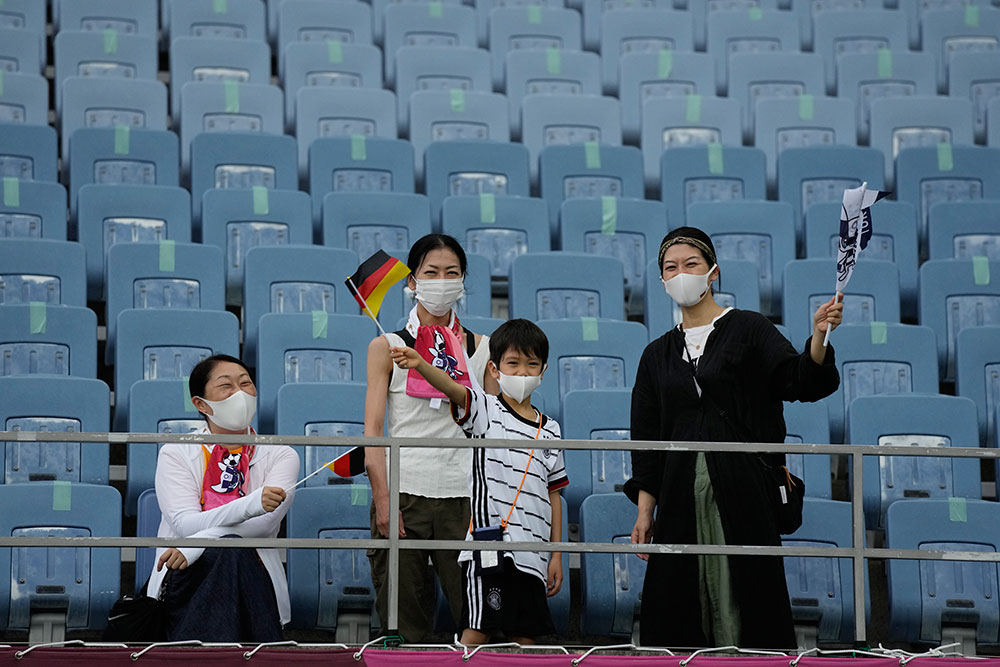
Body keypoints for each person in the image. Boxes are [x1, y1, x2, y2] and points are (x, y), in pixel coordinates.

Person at [625, 227, 843, 649]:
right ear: (662, 280)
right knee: (680, 604)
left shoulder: (749, 328)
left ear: (713, 273)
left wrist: (818, 338)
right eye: (671, 267)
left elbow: (799, 380)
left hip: (744, 490)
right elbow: (646, 440)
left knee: (749, 597)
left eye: (691, 264)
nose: (681, 274)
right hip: (680, 495)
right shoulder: (655, 354)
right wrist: (645, 511)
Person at [389, 319, 567, 645]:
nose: (523, 373)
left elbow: (555, 495)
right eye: (513, 363)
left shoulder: (551, 430)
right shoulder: (485, 409)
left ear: (543, 372)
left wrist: (555, 555)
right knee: (476, 632)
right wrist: (420, 365)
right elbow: (454, 389)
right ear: (494, 369)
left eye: (532, 365)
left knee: (525, 639)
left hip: (534, 556)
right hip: (491, 548)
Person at [363, 233, 499, 642]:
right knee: (404, 627)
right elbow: (373, 433)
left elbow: (493, 428)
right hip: (406, 494)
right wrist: (384, 500)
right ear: (412, 282)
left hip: (466, 498)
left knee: (477, 622)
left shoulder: (483, 347)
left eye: (452, 273)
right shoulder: (386, 346)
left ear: (463, 282)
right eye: (431, 272)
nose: (442, 281)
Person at [148, 354, 299, 642]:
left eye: (246, 384)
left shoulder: (281, 454)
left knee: (232, 550)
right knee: (228, 549)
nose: (240, 393)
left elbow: (263, 526)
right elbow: (183, 525)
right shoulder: (176, 452)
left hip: (252, 573)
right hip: (186, 572)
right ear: (201, 404)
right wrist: (251, 504)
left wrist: (194, 545)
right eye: (226, 386)